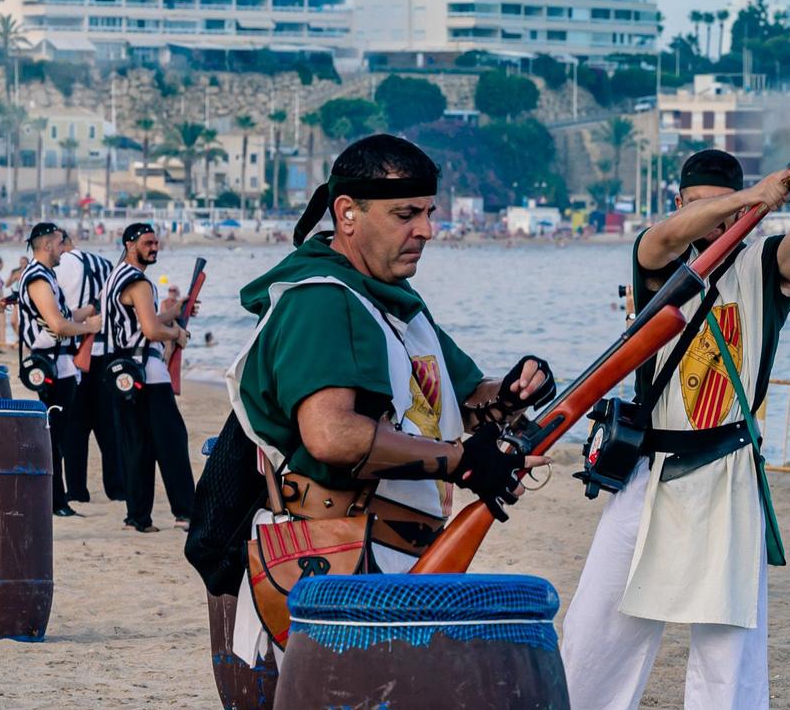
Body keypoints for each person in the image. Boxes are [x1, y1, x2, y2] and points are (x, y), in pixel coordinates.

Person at [562, 133, 790, 710]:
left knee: (728, 647)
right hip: (649, 468)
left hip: (725, 471)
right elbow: (661, 238)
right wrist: (749, 196)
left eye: (717, 206)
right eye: (699, 205)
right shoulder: (659, 261)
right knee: (597, 631)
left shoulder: (761, 261)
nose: (710, 218)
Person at [226, 134, 550, 670]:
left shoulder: (396, 301)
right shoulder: (320, 299)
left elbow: (457, 400)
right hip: (342, 567)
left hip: (396, 560)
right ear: (347, 213)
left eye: (427, 212)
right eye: (405, 214)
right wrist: (465, 464)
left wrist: (511, 393)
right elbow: (330, 435)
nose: (425, 230)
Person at [101, 222, 198, 532]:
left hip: (121, 372)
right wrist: (178, 333)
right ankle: (186, 513)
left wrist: (177, 311)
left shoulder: (115, 277)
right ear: (130, 245)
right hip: (149, 372)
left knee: (136, 446)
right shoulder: (140, 283)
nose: (154, 248)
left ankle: (137, 517)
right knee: (172, 442)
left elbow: (143, 319)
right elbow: (151, 330)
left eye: (156, 243)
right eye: (148, 243)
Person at [15, 222, 103, 518]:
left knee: (59, 434)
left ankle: (59, 498)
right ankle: (55, 501)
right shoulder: (38, 278)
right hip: (52, 365)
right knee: (54, 436)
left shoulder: (45, 276)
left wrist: (89, 310)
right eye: (60, 243)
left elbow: (63, 317)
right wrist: (87, 326)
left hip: (60, 364)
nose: (65, 249)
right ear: (48, 245)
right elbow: (58, 325)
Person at [56, 230, 124, 504]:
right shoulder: (105, 264)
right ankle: (116, 487)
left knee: (75, 428)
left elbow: (63, 313)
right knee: (109, 426)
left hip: (78, 353)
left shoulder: (62, 265)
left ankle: (77, 490)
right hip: (106, 353)